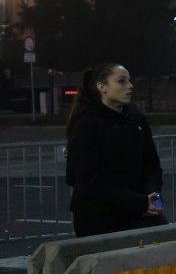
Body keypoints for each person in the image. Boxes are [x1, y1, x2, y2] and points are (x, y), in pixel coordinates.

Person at [66, 62, 166, 238]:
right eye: (122, 81)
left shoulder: (137, 121)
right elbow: (89, 182)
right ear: (102, 87)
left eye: (129, 81)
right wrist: (142, 203)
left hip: (140, 211)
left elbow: (152, 167)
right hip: (100, 218)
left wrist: (153, 200)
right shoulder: (86, 125)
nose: (130, 86)